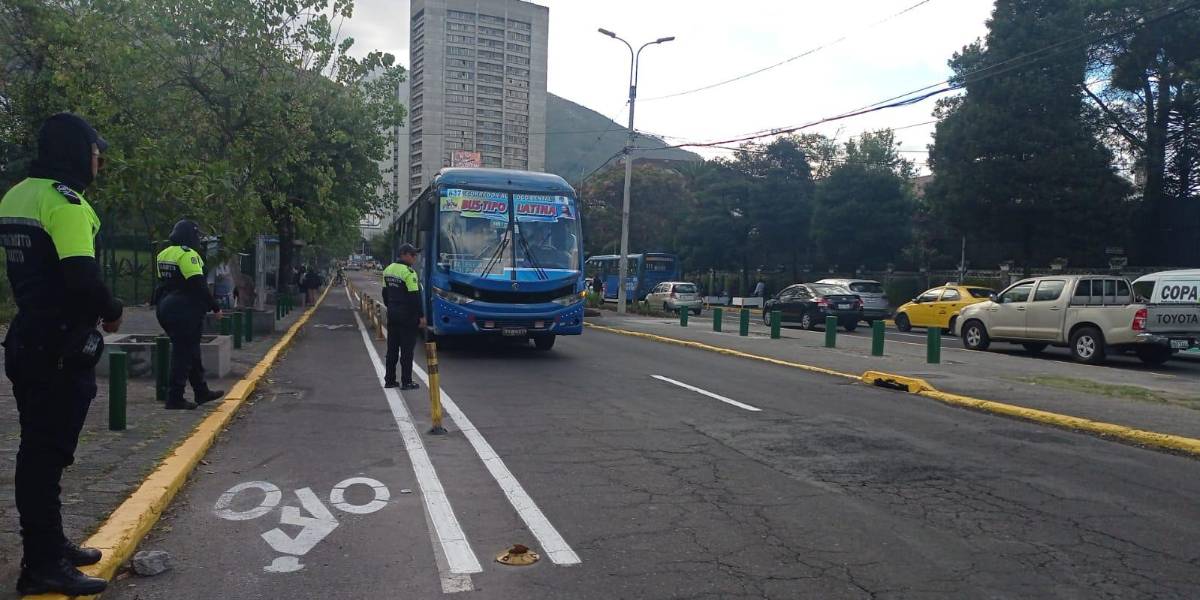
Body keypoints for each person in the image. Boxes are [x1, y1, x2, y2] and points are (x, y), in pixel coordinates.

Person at [0, 113, 121, 596]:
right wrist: (113, 311)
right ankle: (43, 564)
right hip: (60, 344)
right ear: (74, 150)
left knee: (38, 449)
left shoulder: (15, 196)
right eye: (94, 152)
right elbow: (82, 278)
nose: (98, 162)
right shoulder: (66, 203)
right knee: (46, 454)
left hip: (27, 336)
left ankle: (50, 544)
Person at [154, 220, 224, 410]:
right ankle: (174, 397)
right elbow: (198, 284)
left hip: (164, 307)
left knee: (191, 351)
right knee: (182, 354)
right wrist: (215, 306)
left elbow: (162, 282)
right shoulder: (188, 255)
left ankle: (201, 391)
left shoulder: (163, 253)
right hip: (184, 310)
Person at [381, 244, 426, 389]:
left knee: (392, 349)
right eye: (412, 255)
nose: (415, 258)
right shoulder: (409, 272)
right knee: (407, 351)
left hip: (393, 314)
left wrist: (391, 307)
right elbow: (414, 297)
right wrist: (421, 316)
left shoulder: (388, 270)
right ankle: (406, 381)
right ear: (404, 254)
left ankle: (389, 380)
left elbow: (385, 294)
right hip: (407, 317)